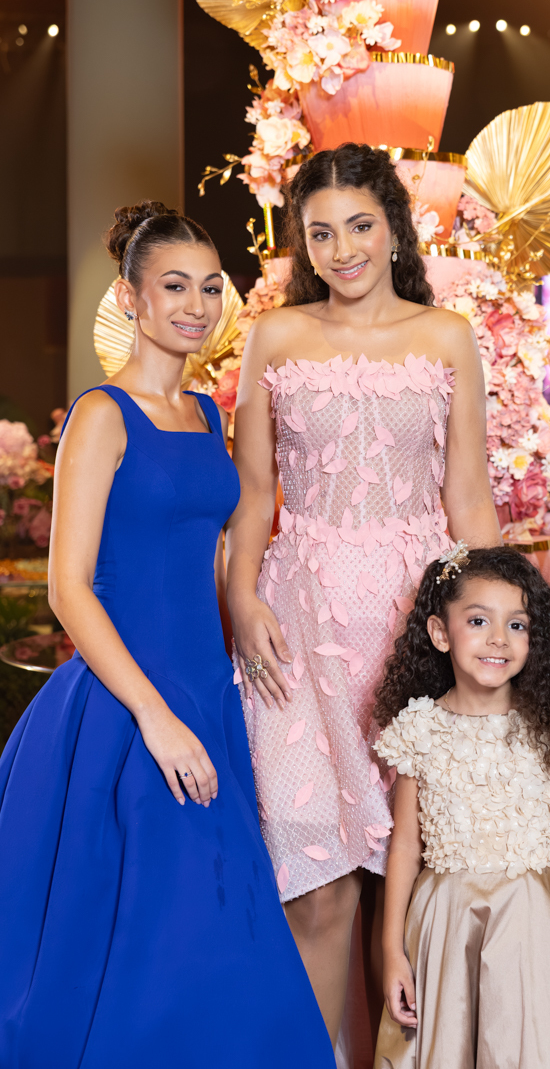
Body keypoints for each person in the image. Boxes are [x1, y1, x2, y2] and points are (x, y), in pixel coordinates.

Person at [0, 203, 334, 1069]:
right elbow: (68, 590)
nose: (196, 306)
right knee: (152, 935)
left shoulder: (204, 413)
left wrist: (251, 614)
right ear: (131, 297)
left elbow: (212, 553)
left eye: (211, 288)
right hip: (126, 708)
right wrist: (154, 717)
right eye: (175, 286)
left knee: (216, 924)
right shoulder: (102, 414)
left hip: (206, 692)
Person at [226, 143, 501, 1044]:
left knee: (416, 877)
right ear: (300, 243)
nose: (341, 249)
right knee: (315, 879)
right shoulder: (275, 335)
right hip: (294, 628)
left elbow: (469, 499)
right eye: (320, 233)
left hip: (413, 625)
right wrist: (241, 601)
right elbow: (253, 496)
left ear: (393, 229)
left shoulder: (446, 334)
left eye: (359, 226)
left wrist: (500, 632)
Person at [372, 545, 550, 1069]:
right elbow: (405, 849)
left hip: (537, 932)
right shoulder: (419, 729)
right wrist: (392, 950)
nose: (498, 640)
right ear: (440, 632)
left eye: (517, 625)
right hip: (447, 929)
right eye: (478, 621)